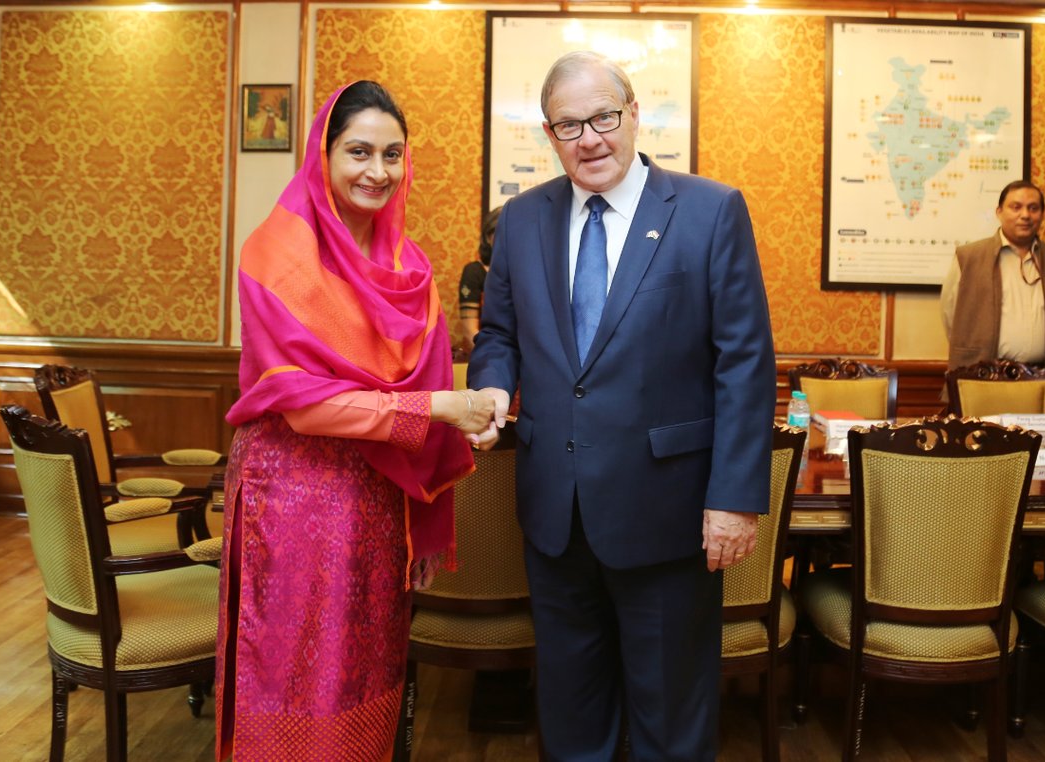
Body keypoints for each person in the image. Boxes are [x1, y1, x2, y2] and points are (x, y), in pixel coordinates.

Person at [467, 52, 776, 760]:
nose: (590, 139)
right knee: (571, 721)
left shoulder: (710, 211)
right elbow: (499, 334)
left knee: (671, 725)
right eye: (568, 126)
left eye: (603, 117)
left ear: (634, 114)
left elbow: (744, 362)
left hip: (668, 514)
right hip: (555, 515)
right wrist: (493, 384)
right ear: (550, 134)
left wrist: (734, 500)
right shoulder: (522, 219)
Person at [217, 80, 496, 760]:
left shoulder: (411, 270)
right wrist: (442, 407)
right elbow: (304, 405)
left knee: (366, 670)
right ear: (325, 154)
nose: (378, 171)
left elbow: (431, 392)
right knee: (289, 672)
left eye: (392, 154)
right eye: (359, 151)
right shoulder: (275, 255)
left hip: (377, 502)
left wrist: (428, 521)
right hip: (291, 496)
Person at [941, 180, 1045, 371]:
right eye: (1016, 207)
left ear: (1042, 214)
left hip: (1040, 374)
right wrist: (971, 347)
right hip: (982, 374)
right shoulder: (969, 257)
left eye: (1033, 208)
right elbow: (950, 314)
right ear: (999, 212)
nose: (1025, 215)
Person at [458, 205, 502, 354]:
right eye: (500, 233)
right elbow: (469, 331)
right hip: (489, 355)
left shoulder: (526, 270)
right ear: (488, 238)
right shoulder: (474, 272)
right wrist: (492, 360)